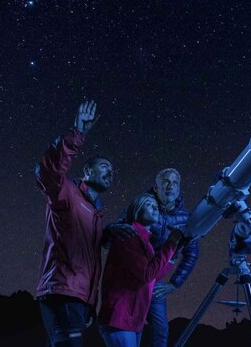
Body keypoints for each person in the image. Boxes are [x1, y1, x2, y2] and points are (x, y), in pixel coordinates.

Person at [35, 100, 111, 346]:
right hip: (62, 292)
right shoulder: (68, 193)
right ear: (87, 171)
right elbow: (47, 172)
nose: (110, 172)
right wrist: (77, 133)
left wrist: (91, 302)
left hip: (78, 298)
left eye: (112, 169)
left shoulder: (95, 214)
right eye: (104, 167)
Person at [106, 168, 201, 347]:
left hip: (156, 279)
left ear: (180, 188)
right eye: (165, 182)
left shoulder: (186, 219)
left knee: (161, 330)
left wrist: (174, 283)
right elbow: (117, 232)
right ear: (156, 187)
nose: (170, 186)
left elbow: (192, 253)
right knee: (132, 325)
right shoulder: (141, 207)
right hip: (133, 276)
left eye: (175, 183)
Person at [97, 193, 184, 347]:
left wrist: (171, 258)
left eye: (156, 206)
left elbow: (152, 277)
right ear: (136, 211)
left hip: (132, 318)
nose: (155, 208)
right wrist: (169, 246)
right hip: (120, 317)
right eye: (149, 204)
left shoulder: (145, 242)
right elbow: (146, 274)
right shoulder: (129, 235)